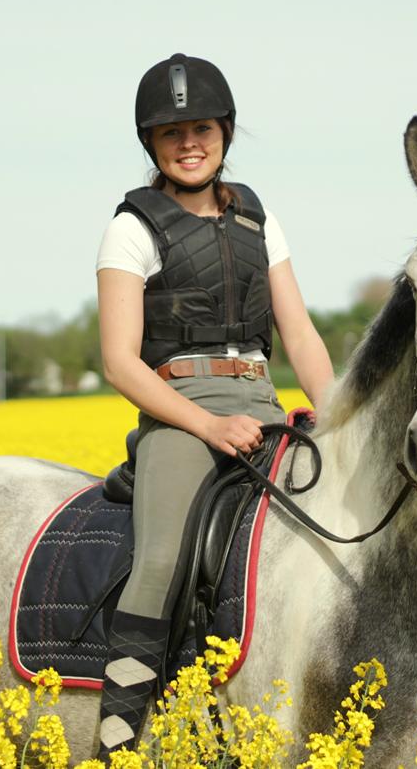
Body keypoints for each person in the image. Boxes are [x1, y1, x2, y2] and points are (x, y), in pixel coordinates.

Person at [94, 52, 334, 758]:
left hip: (264, 402)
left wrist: (337, 414)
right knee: (162, 555)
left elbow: (300, 334)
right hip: (182, 411)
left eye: (201, 128)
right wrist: (206, 424)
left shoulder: (260, 219)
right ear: (151, 144)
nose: (189, 143)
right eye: (171, 133)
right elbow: (119, 361)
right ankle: (118, 733)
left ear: (225, 132)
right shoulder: (132, 228)